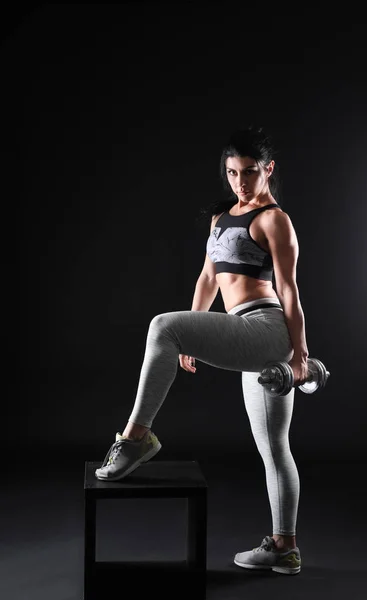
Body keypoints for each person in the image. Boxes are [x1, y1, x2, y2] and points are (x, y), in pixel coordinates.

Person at [95, 125, 309, 575]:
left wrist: (300, 356)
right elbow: (208, 279)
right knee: (274, 446)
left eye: (250, 172)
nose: (241, 183)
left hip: (267, 330)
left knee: (161, 325)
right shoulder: (221, 217)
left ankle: (136, 439)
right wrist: (191, 333)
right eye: (232, 173)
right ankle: (284, 548)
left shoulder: (274, 220)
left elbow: (289, 291)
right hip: (238, 329)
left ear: (268, 170)